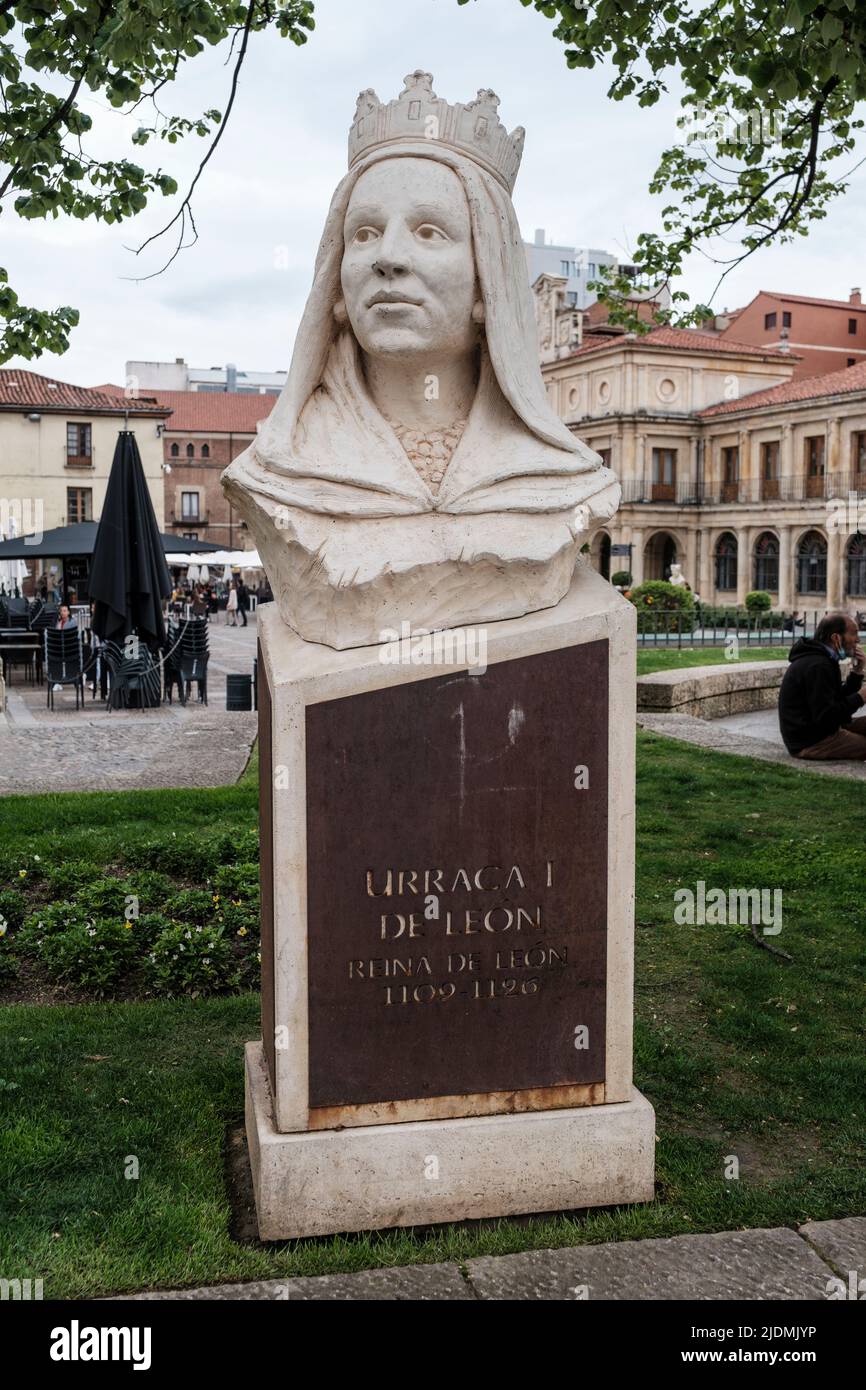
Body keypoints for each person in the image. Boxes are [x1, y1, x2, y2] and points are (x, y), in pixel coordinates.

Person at [778, 612, 866, 759]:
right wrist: (860, 697)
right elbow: (828, 716)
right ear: (836, 638)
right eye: (854, 634)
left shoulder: (823, 659)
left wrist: (857, 673)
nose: (858, 639)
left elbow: (835, 700)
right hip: (811, 741)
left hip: (820, 729)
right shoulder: (818, 666)